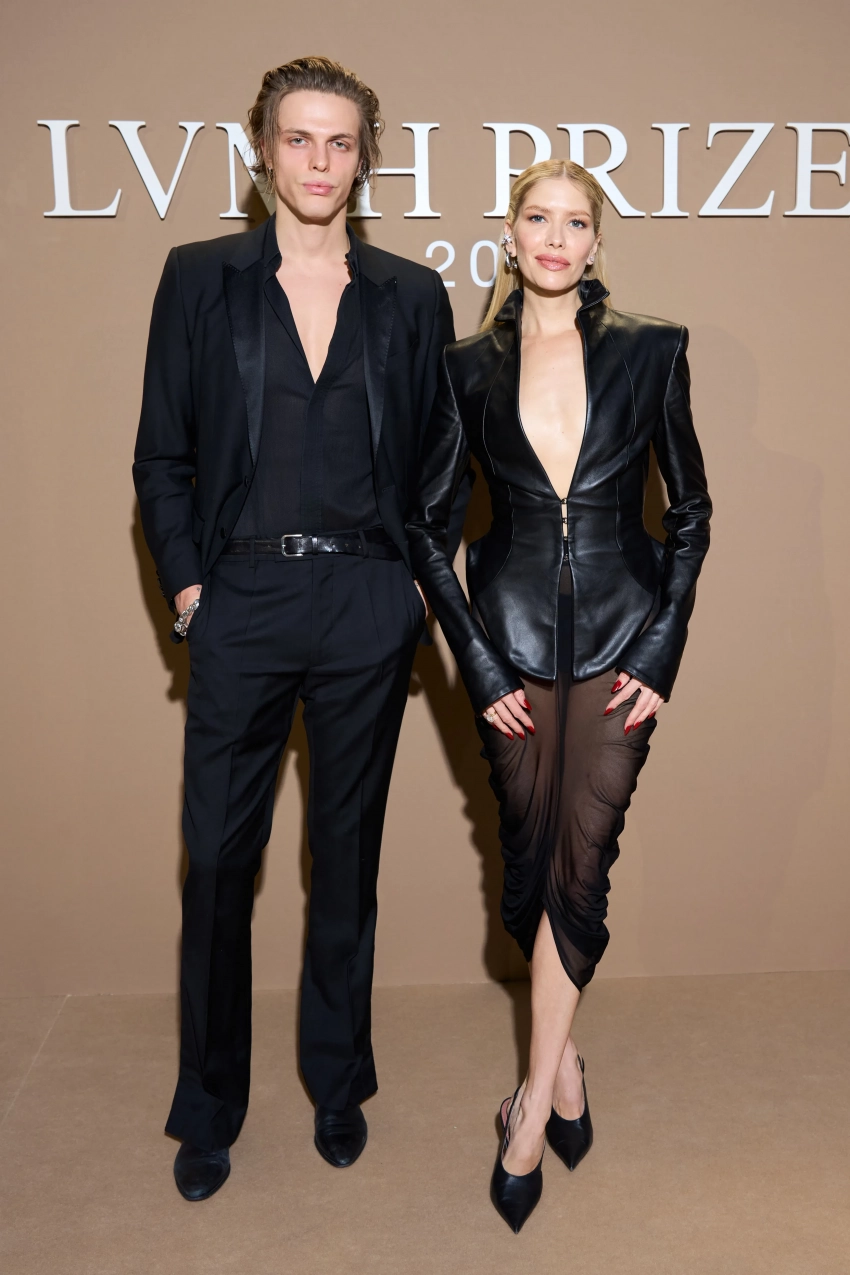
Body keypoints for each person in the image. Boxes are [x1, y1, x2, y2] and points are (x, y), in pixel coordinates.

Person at [133, 56, 467, 1201]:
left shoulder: (411, 295)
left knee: (346, 861)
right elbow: (162, 455)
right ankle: (208, 1107)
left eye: (339, 142)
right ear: (261, 150)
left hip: (367, 605)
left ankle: (337, 1084)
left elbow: (442, 461)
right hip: (240, 602)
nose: (318, 161)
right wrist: (190, 590)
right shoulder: (200, 279)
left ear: (364, 158)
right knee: (219, 865)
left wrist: (414, 590)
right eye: (297, 138)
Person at [407, 159, 711, 1232]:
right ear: (510, 233)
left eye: (575, 222)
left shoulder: (652, 349)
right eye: (537, 217)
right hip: (512, 643)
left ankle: (529, 1108)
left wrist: (664, 647)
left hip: (624, 641)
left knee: (582, 870)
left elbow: (691, 514)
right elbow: (427, 528)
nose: (554, 236)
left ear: (595, 242)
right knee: (528, 866)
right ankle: (567, 1062)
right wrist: (477, 662)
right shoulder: (462, 369)